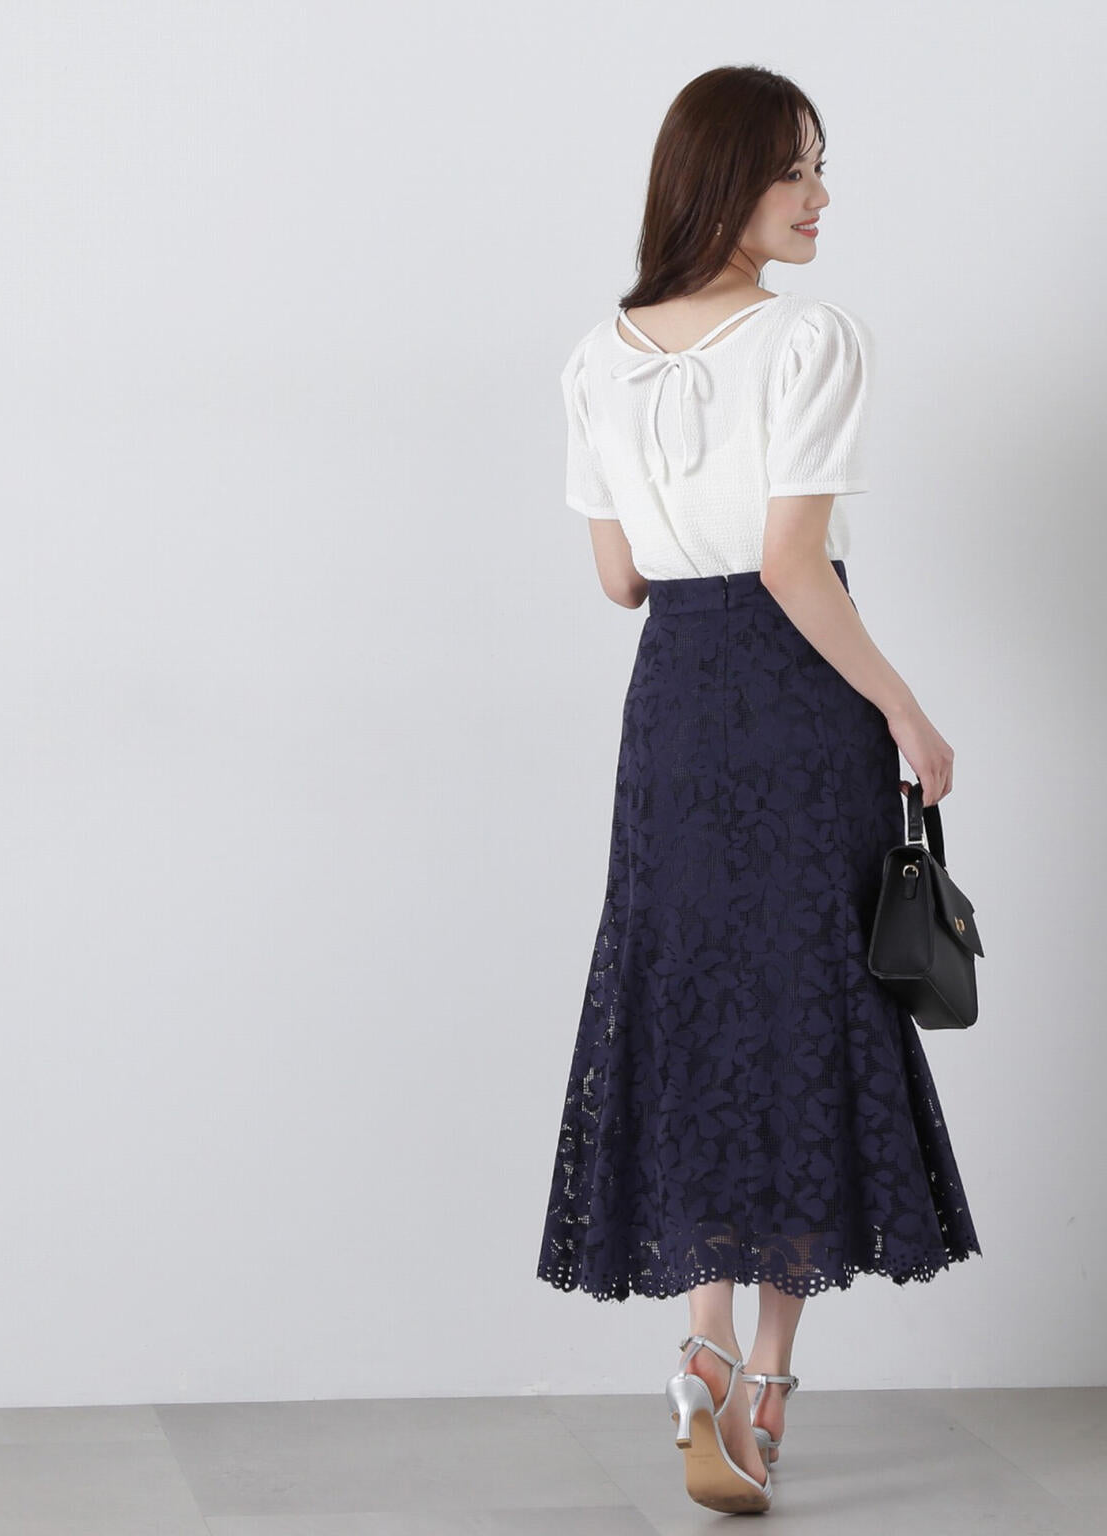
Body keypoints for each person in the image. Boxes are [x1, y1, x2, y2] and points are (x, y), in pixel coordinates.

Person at [534, 66, 982, 1516]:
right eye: (797, 169)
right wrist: (904, 707)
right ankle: (765, 1388)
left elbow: (620, 579)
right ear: (724, 178)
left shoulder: (594, 358)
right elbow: (795, 565)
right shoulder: (809, 340)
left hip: (672, 704)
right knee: (809, 1011)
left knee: (688, 1004)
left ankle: (703, 1349)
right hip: (796, 708)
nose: (821, 197)